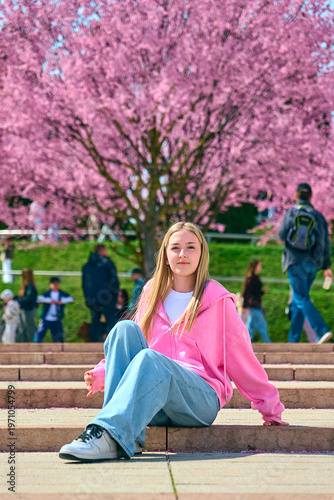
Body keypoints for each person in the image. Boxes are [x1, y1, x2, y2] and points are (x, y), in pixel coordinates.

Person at [59, 221, 288, 463]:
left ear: (201, 254)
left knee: (151, 358)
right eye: (175, 247)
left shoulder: (218, 300)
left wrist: (270, 408)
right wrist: (103, 372)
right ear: (166, 256)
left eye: (191, 247)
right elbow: (135, 341)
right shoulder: (152, 292)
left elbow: (242, 359)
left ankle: (107, 436)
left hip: (198, 399)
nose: (182, 254)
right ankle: (127, 435)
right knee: (124, 329)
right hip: (153, 400)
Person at [278, 183, 333, 344]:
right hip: (312, 264)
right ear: (311, 197)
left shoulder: (291, 213)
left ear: (295, 196)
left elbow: (281, 234)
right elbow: (325, 243)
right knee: (299, 300)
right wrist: (326, 267)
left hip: (294, 262)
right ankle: (293, 341)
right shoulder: (318, 216)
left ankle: (321, 330)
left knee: (301, 298)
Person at [82, 244, 119, 342]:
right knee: (111, 321)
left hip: (92, 299)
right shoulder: (107, 263)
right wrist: (115, 296)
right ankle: (114, 343)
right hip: (107, 297)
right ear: (103, 250)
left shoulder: (86, 266)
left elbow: (84, 284)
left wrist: (87, 298)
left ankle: (94, 343)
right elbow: (113, 280)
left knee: (95, 322)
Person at [34, 277, 74, 343]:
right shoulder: (47, 294)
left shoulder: (61, 294)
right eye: (54, 284)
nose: (56, 285)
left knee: (58, 335)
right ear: (51, 284)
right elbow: (39, 299)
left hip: (56, 318)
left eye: (57, 284)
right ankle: (36, 345)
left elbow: (71, 299)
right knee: (40, 333)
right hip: (46, 318)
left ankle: (59, 350)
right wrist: (49, 301)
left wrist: (62, 301)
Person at [242, 259, 271, 343]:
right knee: (263, 325)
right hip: (253, 306)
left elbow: (256, 292)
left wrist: (262, 292)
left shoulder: (255, 277)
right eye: (259, 265)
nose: (261, 267)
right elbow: (247, 293)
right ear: (255, 266)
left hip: (255, 305)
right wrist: (244, 306)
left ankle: (244, 344)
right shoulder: (251, 279)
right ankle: (268, 343)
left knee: (250, 328)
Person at [15, 268, 38, 342]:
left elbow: (28, 299)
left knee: (30, 328)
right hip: (25, 309)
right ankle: (22, 343)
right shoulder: (28, 287)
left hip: (28, 310)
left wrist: (18, 301)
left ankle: (37, 342)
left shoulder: (30, 287)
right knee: (22, 328)